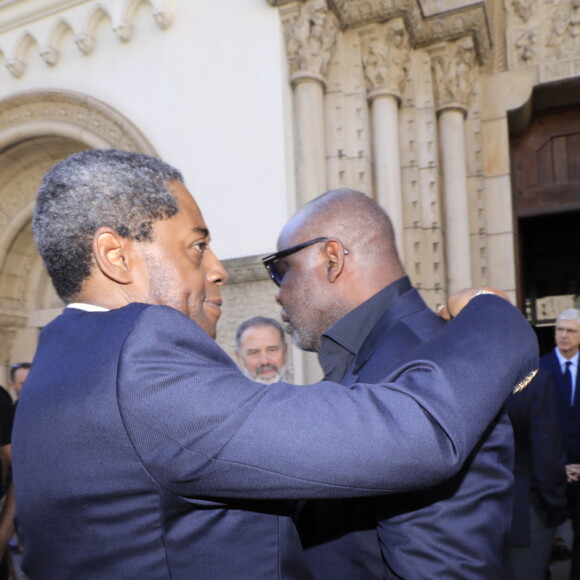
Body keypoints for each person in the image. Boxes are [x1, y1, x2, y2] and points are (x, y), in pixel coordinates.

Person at [12, 149, 537, 579]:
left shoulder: (60, 361)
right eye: (197, 248)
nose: (217, 270)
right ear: (115, 254)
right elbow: (417, 433)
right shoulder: (142, 356)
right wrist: (494, 315)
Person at [263, 188, 530, 579]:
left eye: (282, 270)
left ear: (332, 259)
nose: (278, 294)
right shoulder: (381, 356)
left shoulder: (425, 365)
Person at [506, 368, 568, 580]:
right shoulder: (534, 380)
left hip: (477, 508)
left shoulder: (468, 375)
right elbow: (547, 456)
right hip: (525, 507)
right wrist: (556, 505)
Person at [540, 308, 580, 580]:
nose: (563, 336)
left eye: (571, 331)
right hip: (547, 471)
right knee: (541, 542)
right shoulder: (538, 369)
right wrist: (556, 465)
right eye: (560, 330)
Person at [235, 316, 288, 384]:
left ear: (285, 352)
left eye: (272, 350)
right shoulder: (228, 394)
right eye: (254, 353)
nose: (264, 361)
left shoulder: (303, 393)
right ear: (239, 358)